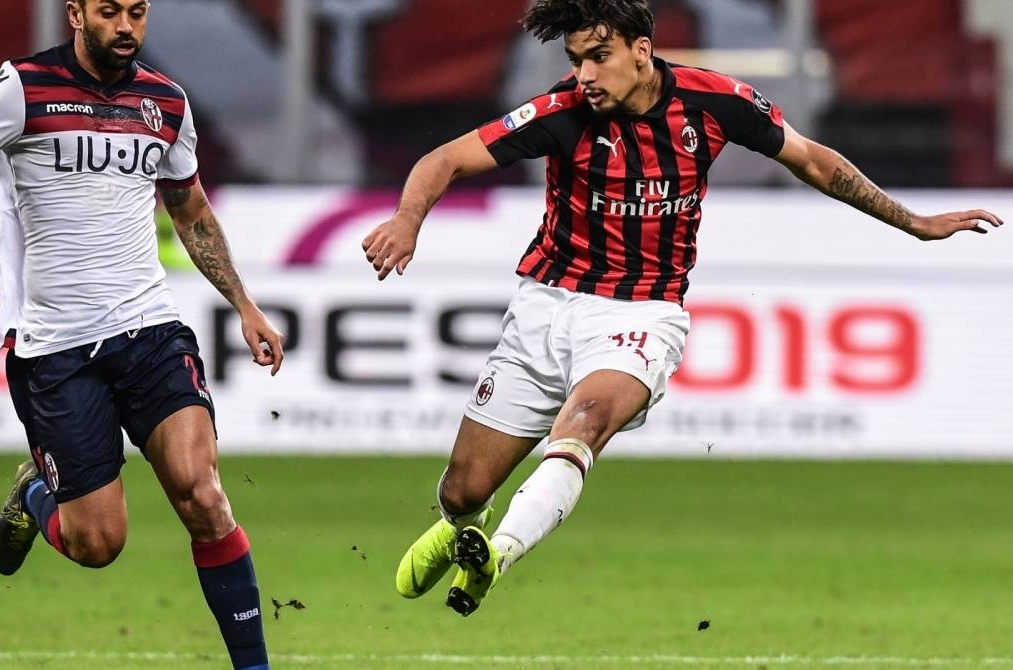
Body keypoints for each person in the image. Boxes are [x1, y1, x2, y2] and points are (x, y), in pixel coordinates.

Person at [362, 0, 1002, 617]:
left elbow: (811, 158)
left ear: (642, 51)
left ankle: (496, 557)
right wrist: (407, 219)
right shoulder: (559, 112)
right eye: (576, 59)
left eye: (599, 57)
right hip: (546, 308)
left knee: (583, 425)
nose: (585, 75)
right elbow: (444, 158)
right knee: (463, 487)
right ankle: (463, 529)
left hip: (641, 313)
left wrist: (913, 222)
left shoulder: (716, 101)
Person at [0, 1, 282, 667]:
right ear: (76, 14)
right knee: (99, 544)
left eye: (137, 12)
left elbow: (192, 211)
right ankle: (36, 494)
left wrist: (244, 302)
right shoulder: (20, 87)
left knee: (204, 495)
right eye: (110, 11)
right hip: (54, 347)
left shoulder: (165, 103)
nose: (126, 26)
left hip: (148, 329)